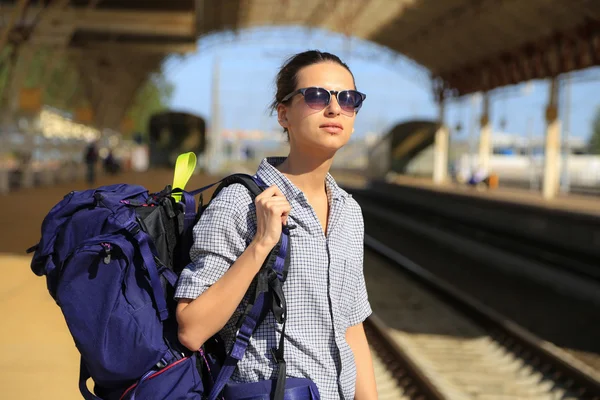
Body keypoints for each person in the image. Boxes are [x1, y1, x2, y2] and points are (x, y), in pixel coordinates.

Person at [175, 50, 377, 400]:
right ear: (284, 113)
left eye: (348, 99)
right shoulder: (241, 203)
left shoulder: (349, 213)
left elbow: (352, 329)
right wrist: (262, 244)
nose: (334, 109)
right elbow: (191, 328)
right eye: (316, 96)